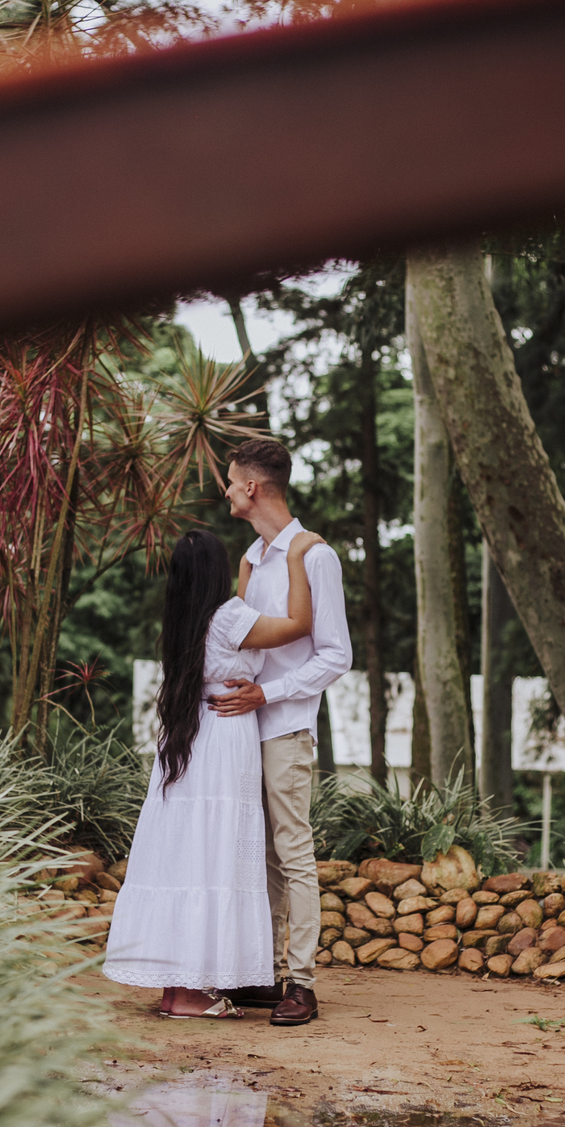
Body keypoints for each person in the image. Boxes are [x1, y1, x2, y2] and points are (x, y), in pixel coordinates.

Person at [103, 525, 325, 1018]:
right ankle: (190, 995)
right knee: (216, 855)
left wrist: (247, 568)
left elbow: (237, 619)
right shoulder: (230, 618)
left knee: (186, 856)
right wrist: (295, 558)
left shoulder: (185, 619)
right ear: (214, 573)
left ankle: (176, 988)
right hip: (224, 740)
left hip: (189, 738)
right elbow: (299, 624)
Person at [211, 437, 352, 1027]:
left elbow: (336, 654)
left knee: (292, 852)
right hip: (243, 728)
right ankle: (266, 974)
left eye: (230, 480)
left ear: (252, 487)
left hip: (287, 725)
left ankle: (303, 984)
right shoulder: (252, 559)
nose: (225, 490)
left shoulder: (315, 556)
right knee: (261, 853)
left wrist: (267, 694)